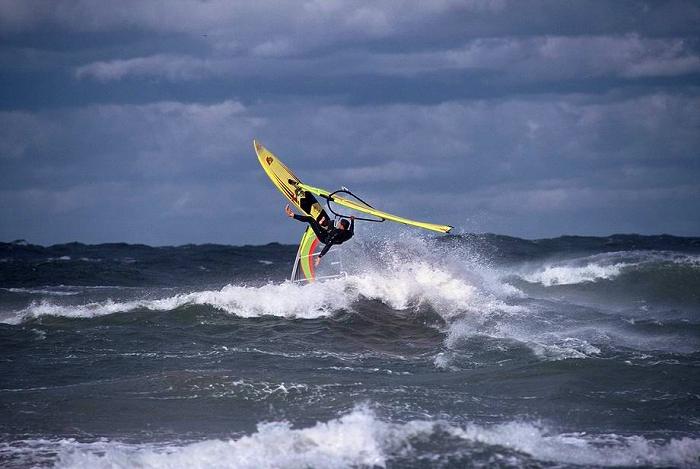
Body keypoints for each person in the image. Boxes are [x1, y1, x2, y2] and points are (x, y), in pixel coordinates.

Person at [285, 204, 354, 266]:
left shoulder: (335, 234)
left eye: (340, 223)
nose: (338, 223)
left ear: (342, 226)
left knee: (310, 219)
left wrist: (319, 257)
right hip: (330, 235)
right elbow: (351, 229)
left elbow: (328, 245)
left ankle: (292, 215)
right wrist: (352, 221)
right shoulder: (349, 233)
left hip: (324, 238)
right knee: (331, 223)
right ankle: (322, 224)